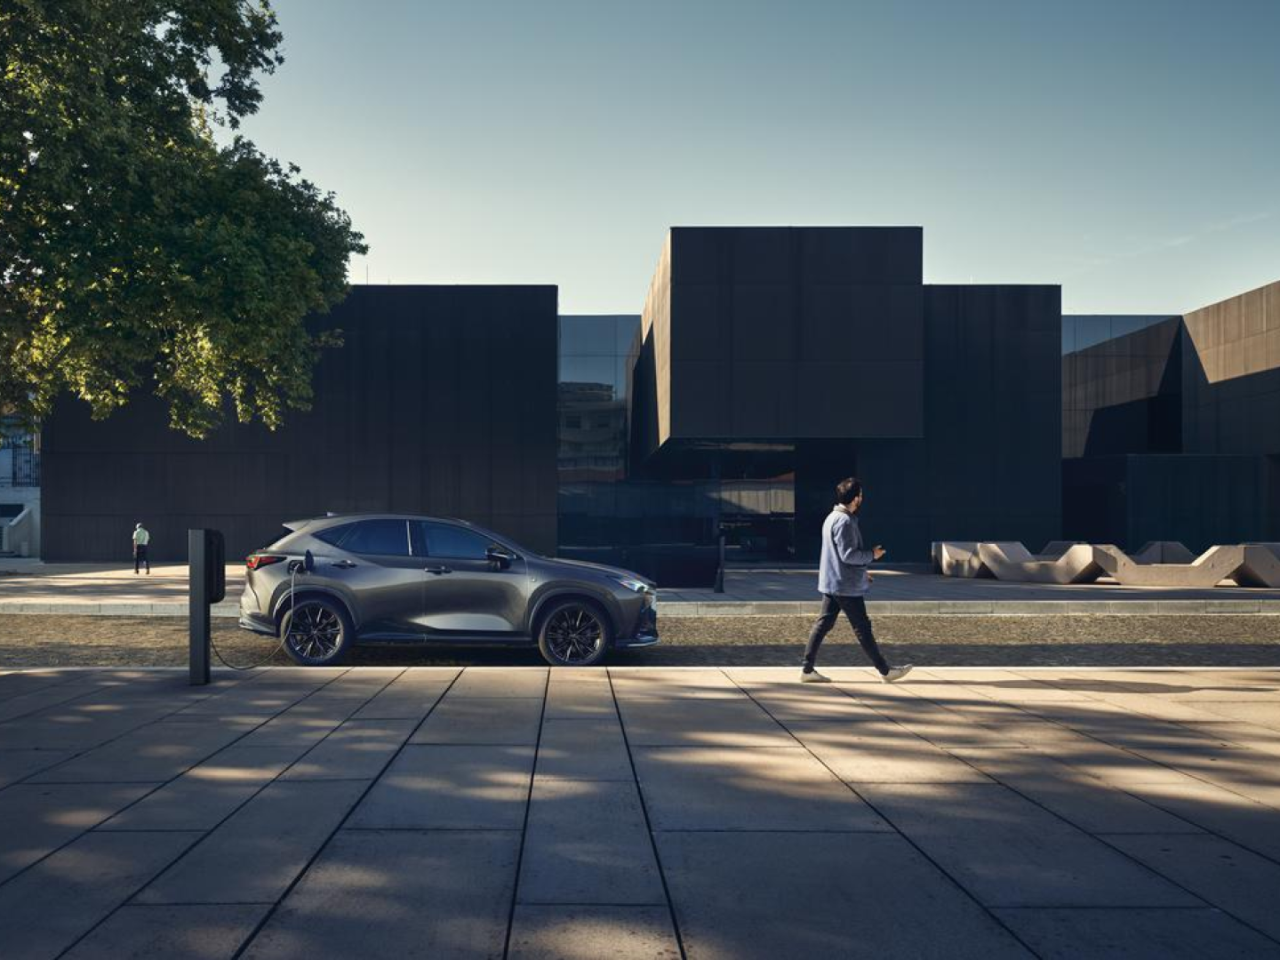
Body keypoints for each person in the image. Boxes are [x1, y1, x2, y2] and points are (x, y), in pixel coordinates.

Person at [800, 477, 912, 684]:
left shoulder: (832, 517)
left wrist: (862, 571)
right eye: (861, 494)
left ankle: (807, 669)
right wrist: (872, 555)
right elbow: (848, 555)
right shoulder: (844, 521)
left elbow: (838, 556)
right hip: (845, 586)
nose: (862, 498)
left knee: (823, 624)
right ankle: (885, 671)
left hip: (834, 581)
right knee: (862, 628)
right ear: (855, 498)